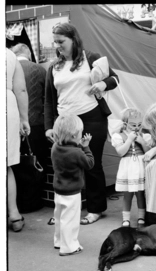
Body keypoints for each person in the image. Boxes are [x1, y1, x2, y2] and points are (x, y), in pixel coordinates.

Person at [44, 23, 119, 225]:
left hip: (92, 118)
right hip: (64, 123)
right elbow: (49, 101)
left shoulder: (91, 57)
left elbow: (114, 79)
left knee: (91, 165)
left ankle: (96, 209)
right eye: (55, 42)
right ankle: (64, 208)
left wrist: (103, 84)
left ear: (73, 39)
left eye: (61, 41)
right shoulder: (53, 67)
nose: (58, 46)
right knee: (63, 164)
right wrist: (49, 127)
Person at [51, 113, 94, 256]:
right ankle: (68, 247)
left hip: (58, 190)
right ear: (74, 135)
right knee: (70, 221)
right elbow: (89, 163)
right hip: (72, 192)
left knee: (59, 217)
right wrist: (86, 147)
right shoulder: (77, 152)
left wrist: (80, 145)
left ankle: (58, 241)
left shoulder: (55, 148)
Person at [111, 108, 151, 228]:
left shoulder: (144, 135)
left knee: (140, 194)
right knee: (127, 194)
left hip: (140, 167)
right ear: (125, 124)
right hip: (127, 168)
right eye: (133, 125)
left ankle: (141, 217)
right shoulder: (119, 136)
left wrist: (142, 142)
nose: (137, 127)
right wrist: (129, 140)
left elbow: (148, 153)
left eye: (139, 124)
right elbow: (120, 152)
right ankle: (126, 219)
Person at [11, 43, 48, 170]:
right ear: (29, 54)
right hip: (36, 125)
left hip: (12, 124)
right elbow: (47, 98)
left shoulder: (8, 69)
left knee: (14, 165)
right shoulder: (40, 69)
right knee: (38, 163)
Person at [6, 48, 31, 232]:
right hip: (6, 106)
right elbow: (21, 89)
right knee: (5, 166)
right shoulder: (10, 55)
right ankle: (14, 215)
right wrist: (24, 119)